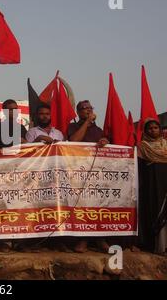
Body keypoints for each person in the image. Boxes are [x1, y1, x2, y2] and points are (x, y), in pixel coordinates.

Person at [67, 100, 109, 253]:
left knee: (98, 205)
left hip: (96, 173)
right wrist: (88, 122)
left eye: (90, 108)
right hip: (78, 171)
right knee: (82, 205)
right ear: (78, 112)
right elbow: (74, 141)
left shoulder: (98, 130)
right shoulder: (73, 126)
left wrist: (105, 142)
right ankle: (82, 239)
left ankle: (100, 239)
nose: (88, 111)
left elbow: (105, 146)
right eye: (85, 109)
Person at [138, 119, 167, 254]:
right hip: (151, 185)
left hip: (165, 184)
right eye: (150, 128)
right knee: (154, 210)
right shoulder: (142, 147)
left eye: (156, 128)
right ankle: (155, 246)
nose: (153, 130)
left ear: (160, 130)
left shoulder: (165, 145)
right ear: (145, 131)